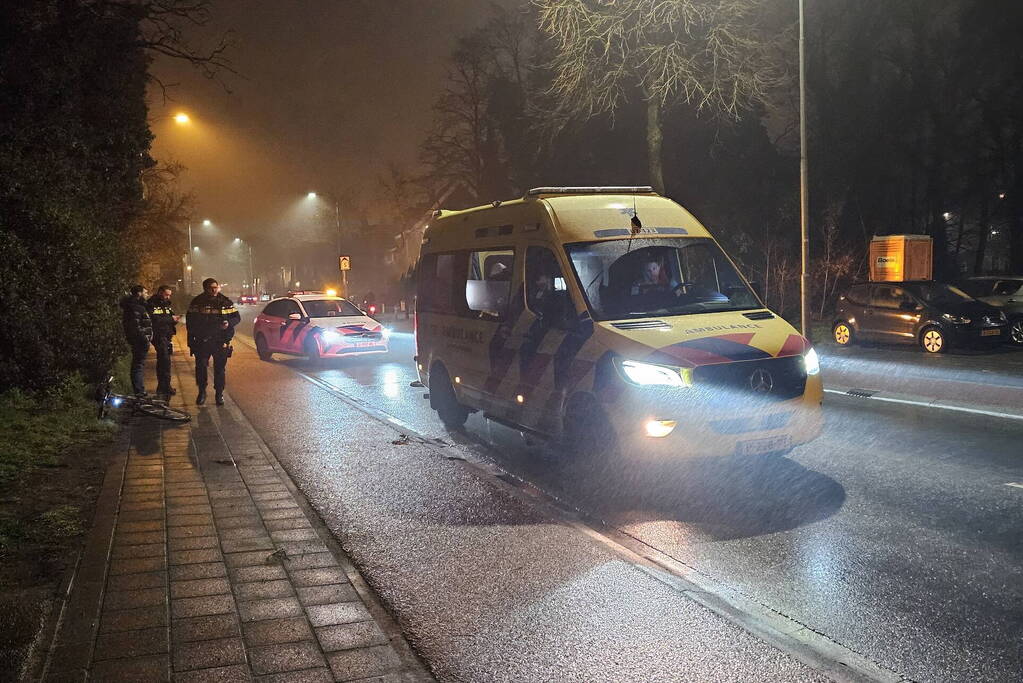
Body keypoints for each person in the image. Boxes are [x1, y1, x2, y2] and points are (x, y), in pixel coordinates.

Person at [186, 278, 240, 406]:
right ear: (205, 288)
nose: (214, 290)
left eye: (216, 287)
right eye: (211, 287)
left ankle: (219, 394)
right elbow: (190, 322)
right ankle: (202, 392)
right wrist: (191, 341)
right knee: (201, 368)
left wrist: (229, 324)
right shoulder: (197, 302)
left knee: (220, 369)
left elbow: (236, 317)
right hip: (202, 341)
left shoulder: (225, 302)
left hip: (220, 341)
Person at [120, 284, 153, 396]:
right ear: (139, 293)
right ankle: (139, 392)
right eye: (145, 292)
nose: (147, 295)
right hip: (140, 342)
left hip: (140, 341)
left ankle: (140, 390)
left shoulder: (136, 306)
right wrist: (145, 339)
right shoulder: (135, 308)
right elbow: (136, 327)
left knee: (138, 365)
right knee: (138, 366)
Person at [147, 285, 179, 397]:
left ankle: (166, 386)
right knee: (163, 360)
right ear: (160, 292)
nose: (168, 297)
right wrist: (171, 319)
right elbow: (154, 320)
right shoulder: (152, 304)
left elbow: (168, 317)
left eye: (169, 295)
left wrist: (174, 320)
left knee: (166, 362)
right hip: (159, 335)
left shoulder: (166, 305)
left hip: (166, 335)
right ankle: (162, 388)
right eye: (166, 295)